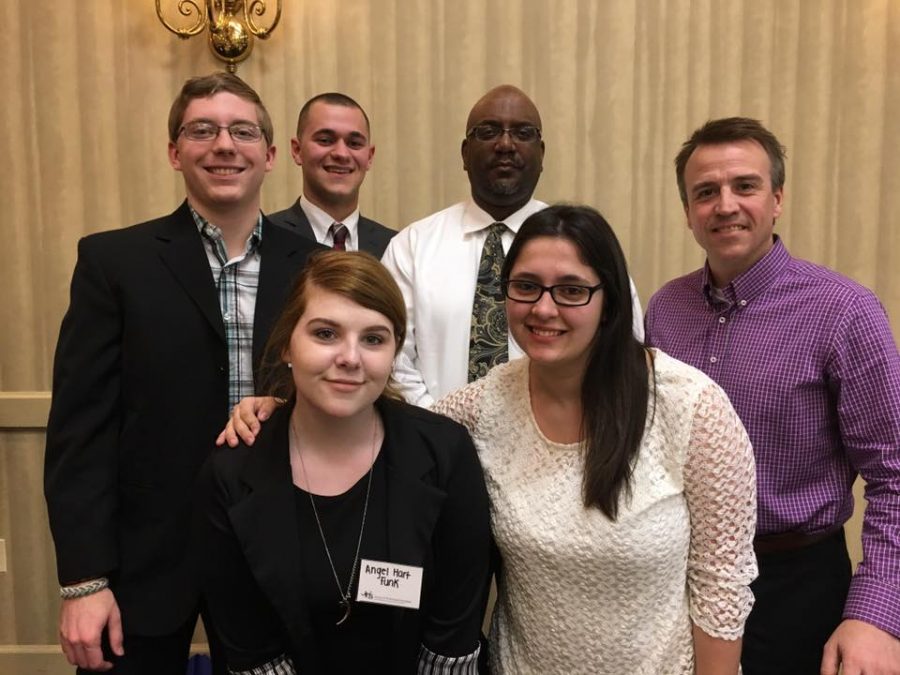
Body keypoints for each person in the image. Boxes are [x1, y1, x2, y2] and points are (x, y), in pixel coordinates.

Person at [44, 72, 320, 674]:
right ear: (175, 152)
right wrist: (82, 582)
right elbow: (79, 431)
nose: (224, 144)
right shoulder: (113, 262)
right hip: (145, 559)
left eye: (242, 131)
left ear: (271, 156)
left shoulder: (318, 270)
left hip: (281, 543)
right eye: (202, 130)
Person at [433, 204, 758, 674]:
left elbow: (721, 585)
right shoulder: (484, 406)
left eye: (571, 290)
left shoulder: (689, 405)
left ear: (609, 299)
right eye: (525, 287)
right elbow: (395, 435)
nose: (543, 308)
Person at [644, 117, 900, 674]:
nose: (724, 205)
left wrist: (876, 616)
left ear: (778, 197)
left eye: (745, 186)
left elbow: (895, 473)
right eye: (705, 192)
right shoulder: (664, 311)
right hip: (678, 582)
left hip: (796, 585)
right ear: (688, 212)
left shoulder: (844, 312)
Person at [194, 250, 491, 674]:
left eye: (373, 339)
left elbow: (453, 630)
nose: (350, 358)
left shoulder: (444, 452)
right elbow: (249, 645)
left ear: (393, 354)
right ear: (286, 346)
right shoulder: (232, 473)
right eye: (326, 334)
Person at [380, 85, 645, 407]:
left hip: (558, 443)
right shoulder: (411, 246)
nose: (505, 144)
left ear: (542, 153)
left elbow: (621, 347)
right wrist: (443, 434)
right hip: (434, 443)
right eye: (489, 132)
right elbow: (390, 355)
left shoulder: (585, 245)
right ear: (464, 153)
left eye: (522, 133)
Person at [268, 93, 394, 256]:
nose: (341, 154)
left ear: (369, 157)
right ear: (297, 150)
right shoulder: (264, 239)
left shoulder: (395, 247)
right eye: (325, 140)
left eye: (354, 143)